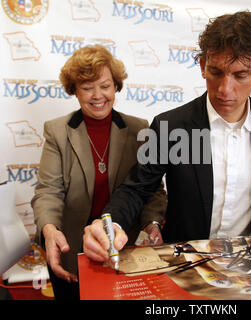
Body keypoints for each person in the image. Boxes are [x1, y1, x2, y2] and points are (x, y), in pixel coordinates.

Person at [83, 11, 251, 266]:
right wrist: (110, 223)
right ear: (202, 66)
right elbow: (136, 188)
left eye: (240, 75)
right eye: (216, 72)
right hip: (186, 264)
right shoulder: (172, 126)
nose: (225, 89)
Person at [31, 45, 167, 300]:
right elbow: (48, 191)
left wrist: (152, 223)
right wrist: (49, 229)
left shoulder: (140, 129)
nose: (97, 96)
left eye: (105, 86)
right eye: (87, 87)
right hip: (73, 252)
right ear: (74, 90)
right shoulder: (57, 131)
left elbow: (153, 189)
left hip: (125, 250)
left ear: (116, 86)